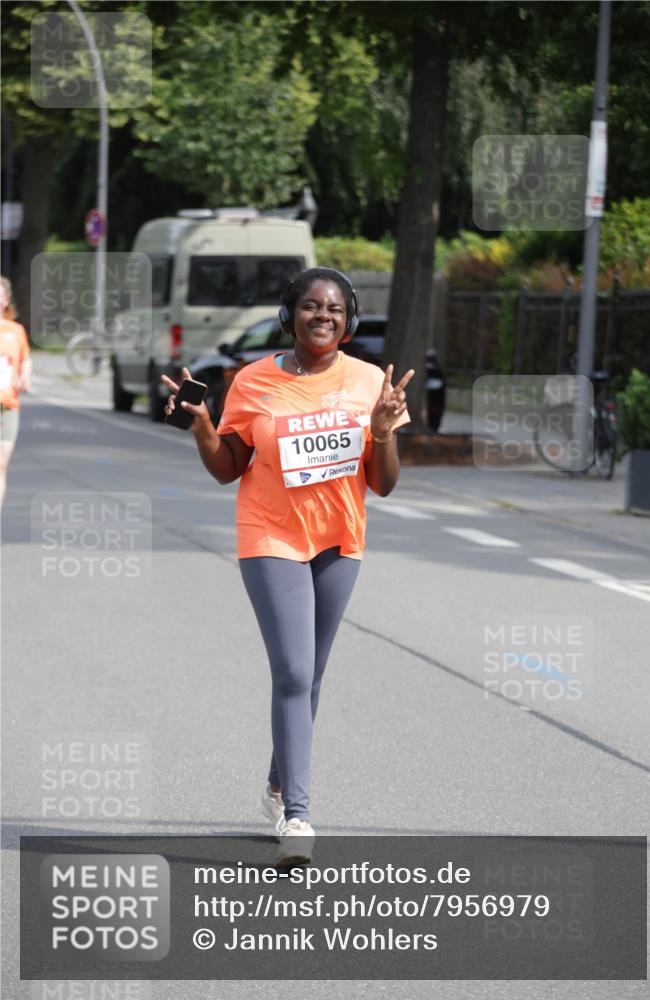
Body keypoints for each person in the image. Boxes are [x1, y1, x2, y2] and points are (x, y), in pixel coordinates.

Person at [161, 267, 413, 863]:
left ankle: (277, 783)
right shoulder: (252, 382)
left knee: (312, 673)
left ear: (348, 321)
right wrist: (202, 426)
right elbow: (228, 467)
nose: (321, 316)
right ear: (289, 316)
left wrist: (381, 432)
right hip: (270, 535)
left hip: (339, 541)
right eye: (309, 307)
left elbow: (385, 484)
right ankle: (297, 815)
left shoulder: (370, 381)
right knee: (295, 672)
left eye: (333, 309)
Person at [0, 276, 32, 507]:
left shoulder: (16, 330)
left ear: (6, 299)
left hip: (7, 404)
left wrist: (25, 375)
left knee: (1, 464)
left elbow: (26, 359)